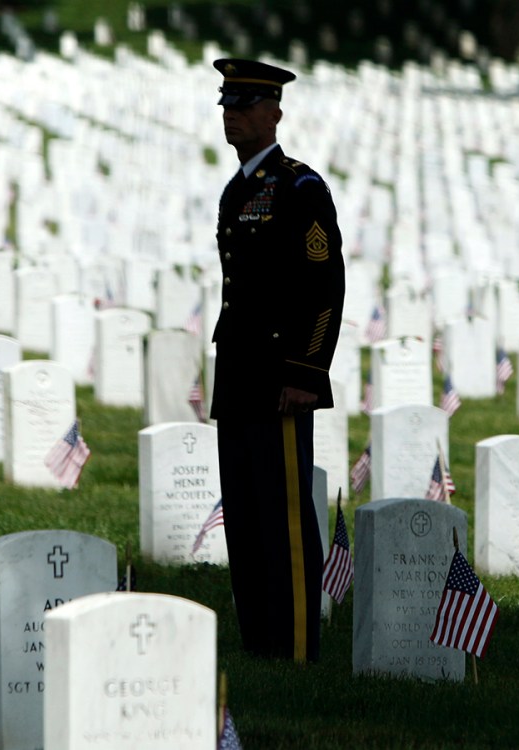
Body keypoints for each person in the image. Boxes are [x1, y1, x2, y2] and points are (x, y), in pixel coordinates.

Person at [210, 58, 345, 663]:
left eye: (244, 105)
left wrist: (304, 373)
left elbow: (323, 288)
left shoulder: (300, 188)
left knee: (285, 517)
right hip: (238, 373)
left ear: (275, 113)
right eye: (226, 105)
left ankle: (293, 648)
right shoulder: (237, 189)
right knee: (243, 513)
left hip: (279, 377)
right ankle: (259, 643)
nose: (232, 115)